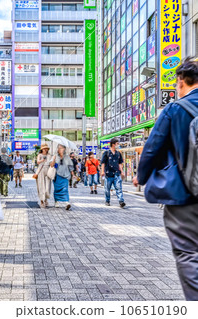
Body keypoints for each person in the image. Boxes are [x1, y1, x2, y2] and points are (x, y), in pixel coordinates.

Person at [133, 58, 198, 300]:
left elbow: (153, 147)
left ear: (181, 82)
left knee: (188, 252)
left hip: (183, 196)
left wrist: (141, 176)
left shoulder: (175, 109)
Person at [101, 138, 126, 207]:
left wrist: (122, 171)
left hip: (117, 173)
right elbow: (103, 163)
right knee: (107, 189)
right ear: (113, 144)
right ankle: (107, 200)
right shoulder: (106, 153)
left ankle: (121, 201)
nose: (118, 145)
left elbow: (120, 163)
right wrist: (102, 171)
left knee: (119, 188)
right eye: (117, 144)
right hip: (108, 174)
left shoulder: (118, 153)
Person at [50, 145, 73, 210]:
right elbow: (51, 165)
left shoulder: (67, 157)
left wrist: (73, 174)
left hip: (65, 175)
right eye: (59, 148)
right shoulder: (55, 156)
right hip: (57, 175)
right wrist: (54, 159)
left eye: (61, 148)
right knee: (57, 189)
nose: (60, 149)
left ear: (64, 149)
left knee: (65, 189)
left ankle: (66, 202)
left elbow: (70, 166)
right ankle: (56, 201)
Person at [36, 144, 52, 208]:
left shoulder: (49, 155)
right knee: (41, 186)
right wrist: (42, 160)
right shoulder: (40, 155)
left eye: (46, 148)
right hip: (41, 170)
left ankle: (46, 199)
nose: (45, 149)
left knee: (47, 187)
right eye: (44, 148)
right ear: (42, 149)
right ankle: (42, 201)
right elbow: (37, 162)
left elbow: (51, 163)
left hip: (48, 170)